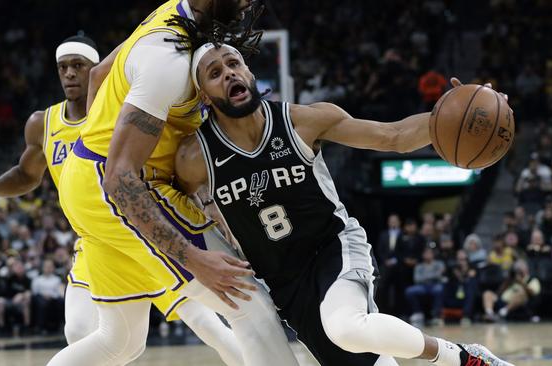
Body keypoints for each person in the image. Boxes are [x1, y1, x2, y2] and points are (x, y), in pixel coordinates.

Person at [176, 41, 514, 366]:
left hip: (332, 249)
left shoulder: (301, 121)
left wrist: (455, 115)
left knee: (345, 327)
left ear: (249, 72)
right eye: (215, 72)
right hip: (284, 284)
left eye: (234, 64)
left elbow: (392, 136)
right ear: (204, 94)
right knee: (352, 338)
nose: (229, 74)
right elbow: (175, 204)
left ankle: (462, 357)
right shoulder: (196, 157)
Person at [0, 34, 242, 364]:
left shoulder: (124, 114)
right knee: (80, 331)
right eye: (63, 67)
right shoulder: (42, 123)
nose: (70, 74)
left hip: (142, 231)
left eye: (78, 66)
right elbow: (27, 174)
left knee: (206, 323)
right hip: (97, 241)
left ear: (97, 71)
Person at [49, 1, 297, 365]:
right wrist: (193, 257)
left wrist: (95, 134)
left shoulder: (174, 11)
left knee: (120, 343)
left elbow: (101, 72)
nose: (247, 6)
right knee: (245, 298)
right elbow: (120, 178)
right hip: (116, 184)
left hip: (86, 178)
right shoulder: (167, 61)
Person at [405, 247, 445, 326]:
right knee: (409, 291)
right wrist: (433, 276)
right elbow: (417, 279)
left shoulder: (439, 264)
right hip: (422, 286)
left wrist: (426, 277)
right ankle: (418, 313)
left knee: (439, 290)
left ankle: (436, 315)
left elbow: (440, 276)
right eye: (425, 253)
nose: (427, 255)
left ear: (433, 254)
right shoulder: (419, 266)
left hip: (435, 285)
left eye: (429, 253)